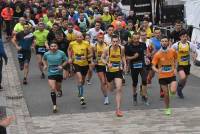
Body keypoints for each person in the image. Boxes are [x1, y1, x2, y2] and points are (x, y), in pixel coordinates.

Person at [101, 34, 127, 117]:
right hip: (109, 71)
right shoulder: (107, 49)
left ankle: (118, 109)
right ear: (111, 42)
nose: (115, 43)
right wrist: (107, 63)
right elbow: (102, 58)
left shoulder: (121, 48)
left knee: (119, 89)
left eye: (116, 41)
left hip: (118, 70)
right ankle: (112, 85)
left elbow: (122, 56)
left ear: (119, 41)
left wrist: (125, 64)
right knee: (111, 89)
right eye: (113, 41)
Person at [152, 36, 177, 115]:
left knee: (173, 91)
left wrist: (175, 68)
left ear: (168, 42)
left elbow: (176, 59)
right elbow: (153, 66)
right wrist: (157, 70)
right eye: (162, 41)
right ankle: (167, 108)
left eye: (166, 41)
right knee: (166, 94)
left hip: (171, 74)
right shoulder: (157, 54)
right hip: (162, 76)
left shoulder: (173, 51)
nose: (164, 42)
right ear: (160, 43)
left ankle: (171, 92)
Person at [68, 32, 93, 105]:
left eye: (80, 37)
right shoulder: (72, 43)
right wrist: (69, 58)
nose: (79, 38)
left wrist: (86, 57)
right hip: (76, 63)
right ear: (75, 37)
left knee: (83, 81)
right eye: (77, 37)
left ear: (83, 37)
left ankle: (80, 90)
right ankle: (82, 98)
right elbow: (69, 50)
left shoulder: (86, 43)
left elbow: (91, 54)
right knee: (80, 79)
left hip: (85, 64)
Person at [43, 43, 68, 113]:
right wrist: (45, 65)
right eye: (52, 46)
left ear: (57, 47)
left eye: (55, 46)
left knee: (58, 87)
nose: (53, 47)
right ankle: (54, 105)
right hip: (51, 73)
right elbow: (44, 59)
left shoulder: (61, 53)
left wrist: (62, 66)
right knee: (53, 88)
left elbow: (66, 60)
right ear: (50, 47)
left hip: (59, 73)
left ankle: (60, 90)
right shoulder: (46, 54)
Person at [171, 30, 197, 99]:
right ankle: (178, 87)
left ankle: (179, 90)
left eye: (186, 36)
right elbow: (171, 52)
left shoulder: (190, 44)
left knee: (185, 81)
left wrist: (194, 57)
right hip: (180, 64)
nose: (185, 38)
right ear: (180, 37)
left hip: (187, 64)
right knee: (183, 77)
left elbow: (195, 52)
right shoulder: (176, 45)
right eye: (183, 37)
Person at [125, 33, 149, 106]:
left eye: (137, 38)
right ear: (132, 38)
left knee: (144, 80)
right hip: (133, 66)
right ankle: (134, 95)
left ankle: (144, 95)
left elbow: (145, 53)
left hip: (142, 65)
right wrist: (133, 57)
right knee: (135, 82)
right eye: (134, 38)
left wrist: (147, 58)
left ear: (139, 38)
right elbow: (126, 57)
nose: (136, 40)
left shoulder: (143, 44)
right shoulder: (128, 46)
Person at [92, 32, 109, 104]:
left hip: (106, 65)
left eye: (102, 38)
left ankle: (106, 90)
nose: (101, 39)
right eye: (99, 38)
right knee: (103, 81)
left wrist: (107, 58)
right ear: (97, 38)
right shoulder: (94, 46)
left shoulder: (107, 45)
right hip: (99, 65)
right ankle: (106, 97)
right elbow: (92, 56)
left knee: (108, 82)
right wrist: (93, 61)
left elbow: (110, 54)